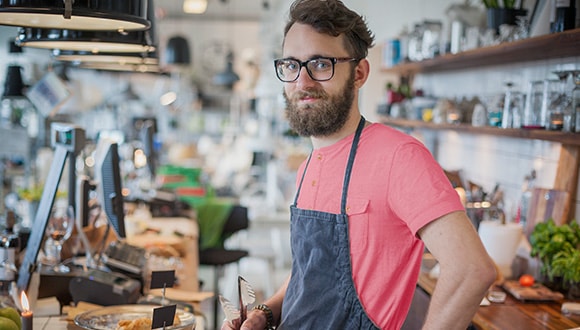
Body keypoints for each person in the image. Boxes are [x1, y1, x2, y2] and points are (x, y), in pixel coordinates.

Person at [223, 0, 496, 329]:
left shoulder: (399, 156)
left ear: (360, 73)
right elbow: (308, 273)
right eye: (292, 65)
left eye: (321, 64)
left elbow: (471, 269)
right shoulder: (308, 166)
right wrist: (266, 313)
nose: (303, 81)